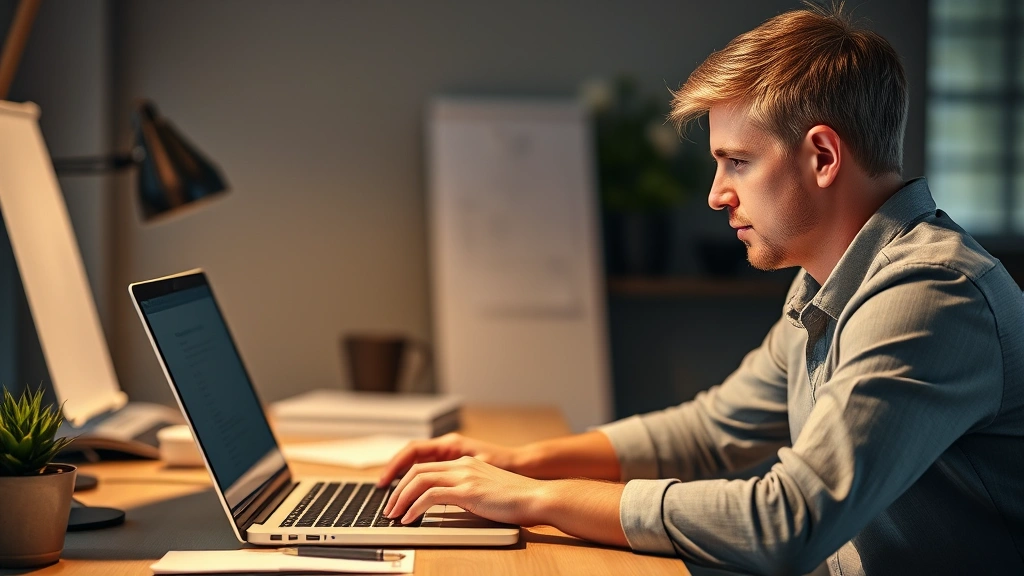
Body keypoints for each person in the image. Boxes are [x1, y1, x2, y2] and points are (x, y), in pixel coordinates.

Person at [377, 5, 1024, 575]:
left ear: (823, 157)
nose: (717, 195)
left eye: (736, 162)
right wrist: (524, 462)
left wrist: (535, 500)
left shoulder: (931, 296)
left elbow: (788, 521)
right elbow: (713, 430)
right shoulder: (829, 282)